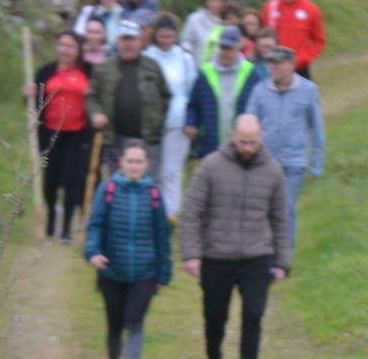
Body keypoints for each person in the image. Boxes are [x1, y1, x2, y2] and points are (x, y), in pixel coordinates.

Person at [179, 114, 288, 359]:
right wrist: (191, 254)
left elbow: (280, 219)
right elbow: (191, 213)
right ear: (232, 136)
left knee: (254, 316)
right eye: (242, 142)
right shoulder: (210, 167)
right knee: (215, 319)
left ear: (261, 138)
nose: (248, 147)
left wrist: (281, 261)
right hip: (217, 256)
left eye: (253, 142)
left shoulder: (273, 171)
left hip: (257, 257)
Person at [83, 140, 172, 359]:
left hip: (145, 272)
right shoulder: (107, 190)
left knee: (135, 322)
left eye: (139, 162)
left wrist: (164, 273)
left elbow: (162, 237)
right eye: (130, 161)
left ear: (147, 165)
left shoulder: (155, 195)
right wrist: (93, 252)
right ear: (121, 163)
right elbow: (95, 225)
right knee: (114, 322)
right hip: (112, 271)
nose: (134, 166)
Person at [245, 45, 324, 249]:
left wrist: (316, 164)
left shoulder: (308, 90)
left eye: (278, 63)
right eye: (271, 63)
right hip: (264, 161)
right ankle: (263, 250)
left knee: (285, 207)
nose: (274, 67)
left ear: (291, 65)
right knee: (264, 207)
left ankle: (283, 256)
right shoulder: (259, 91)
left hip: (294, 161)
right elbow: (248, 125)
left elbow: (317, 128)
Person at [24, 30, 93, 241]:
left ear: (79, 50)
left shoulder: (88, 73)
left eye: (71, 46)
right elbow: (35, 105)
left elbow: (96, 99)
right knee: (50, 181)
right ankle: (51, 218)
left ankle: (66, 229)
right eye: (62, 45)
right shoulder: (45, 73)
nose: (65, 50)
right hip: (50, 134)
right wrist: (28, 94)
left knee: (72, 180)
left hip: (77, 135)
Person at [87, 19, 171, 179]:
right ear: (117, 41)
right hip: (115, 139)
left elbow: (165, 96)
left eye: (131, 39)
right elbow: (91, 96)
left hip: (148, 139)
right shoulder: (104, 68)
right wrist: (96, 113)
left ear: (139, 41)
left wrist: (157, 120)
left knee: (148, 185)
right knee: (117, 185)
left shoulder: (152, 66)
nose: (128, 44)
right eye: (124, 39)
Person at [143, 13, 196, 218]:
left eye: (170, 36)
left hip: (178, 121)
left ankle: (171, 213)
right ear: (156, 35)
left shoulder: (185, 59)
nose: (166, 40)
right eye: (162, 36)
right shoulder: (148, 56)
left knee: (172, 171)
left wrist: (191, 121)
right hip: (152, 123)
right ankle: (151, 211)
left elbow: (191, 91)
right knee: (152, 170)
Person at [185, 25, 262, 162]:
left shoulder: (250, 73)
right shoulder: (205, 73)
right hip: (211, 143)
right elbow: (193, 105)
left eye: (229, 48)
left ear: (238, 47)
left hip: (243, 146)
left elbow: (261, 106)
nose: (226, 52)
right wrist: (191, 124)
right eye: (223, 47)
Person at [262, 0, 326, 80]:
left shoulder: (312, 10)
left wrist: (304, 58)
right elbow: (260, 36)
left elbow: (319, 40)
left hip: (299, 69)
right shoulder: (270, 7)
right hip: (273, 67)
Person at [181, 0, 228, 65]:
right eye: (212, 0)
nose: (215, 4)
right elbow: (185, 41)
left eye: (218, 1)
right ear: (205, 1)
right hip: (197, 66)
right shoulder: (194, 19)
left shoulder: (227, 21)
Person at [200, 1, 244, 67]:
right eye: (228, 19)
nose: (232, 21)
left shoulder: (243, 32)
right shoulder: (215, 36)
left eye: (234, 18)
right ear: (222, 21)